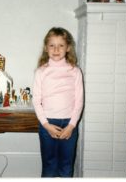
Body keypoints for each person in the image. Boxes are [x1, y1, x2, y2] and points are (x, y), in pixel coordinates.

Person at [32, 27, 84, 177]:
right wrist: (46, 125)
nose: (56, 49)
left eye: (61, 45)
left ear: (68, 48)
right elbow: (36, 100)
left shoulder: (75, 71)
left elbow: (79, 101)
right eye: (52, 45)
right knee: (49, 165)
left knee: (66, 167)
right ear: (46, 48)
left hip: (69, 124)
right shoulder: (41, 71)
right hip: (47, 124)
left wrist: (72, 125)